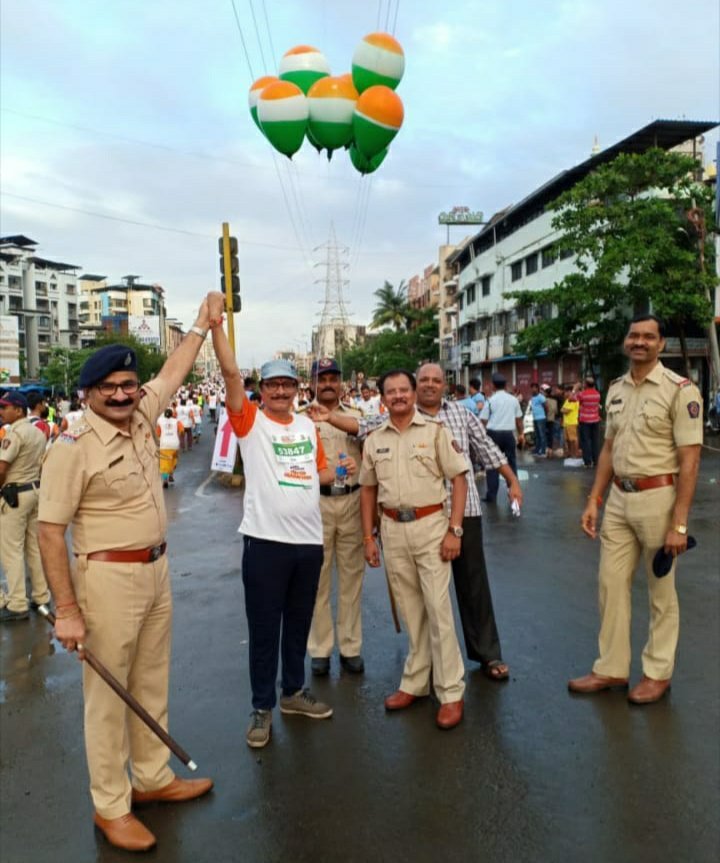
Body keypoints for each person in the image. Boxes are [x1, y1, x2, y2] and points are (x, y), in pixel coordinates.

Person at [37, 303, 216, 852]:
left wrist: (202, 323)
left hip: (156, 570)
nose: (122, 395)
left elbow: (175, 371)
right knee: (107, 698)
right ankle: (111, 806)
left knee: (150, 680)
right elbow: (49, 532)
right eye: (109, 388)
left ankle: (153, 777)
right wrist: (68, 611)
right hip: (107, 582)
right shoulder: (71, 448)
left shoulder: (142, 414)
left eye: (128, 385)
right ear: (89, 393)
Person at [209, 295, 339, 750]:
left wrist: (338, 472)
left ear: (297, 389)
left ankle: (292, 693)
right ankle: (262, 707)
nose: (280, 392)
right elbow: (230, 374)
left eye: (287, 385)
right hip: (265, 543)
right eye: (272, 385)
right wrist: (216, 325)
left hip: (309, 544)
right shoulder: (250, 422)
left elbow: (320, 474)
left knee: (298, 624)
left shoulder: (307, 427)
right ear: (261, 391)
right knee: (264, 629)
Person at [569, 314, 703, 705]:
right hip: (618, 500)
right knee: (610, 585)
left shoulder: (680, 391)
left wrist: (679, 523)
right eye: (633, 336)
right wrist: (594, 499)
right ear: (625, 341)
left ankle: (657, 672)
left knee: (661, 591)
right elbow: (608, 448)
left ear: (661, 344)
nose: (639, 342)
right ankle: (611, 668)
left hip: (658, 499)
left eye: (648, 337)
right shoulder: (616, 389)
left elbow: (690, 460)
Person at [359, 369, 469, 730]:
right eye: (391, 391)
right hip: (392, 529)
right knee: (410, 611)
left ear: (413, 392)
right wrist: (368, 538)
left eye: (404, 389)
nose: (398, 396)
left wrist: (455, 530)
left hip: (431, 528)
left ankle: (450, 692)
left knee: (438, 610)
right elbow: (368, 490)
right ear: (383, 399)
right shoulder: (374, 440)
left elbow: (459, 478)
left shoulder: (435, 432)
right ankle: (416, 682)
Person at [415, 363, 522, 679]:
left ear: (445, 385)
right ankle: (427, 660)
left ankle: (488, 653)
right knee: (424, 591)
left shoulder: (462, 415)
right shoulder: (404, 415)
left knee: (473, 585)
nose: (430, 385)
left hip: (466, 511)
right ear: (416, 384)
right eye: (424, 380)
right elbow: (365, 427)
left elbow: (488, 450)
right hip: (423, 513)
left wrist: (512, 480)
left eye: (436, 380)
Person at [306, 357, 366, 676]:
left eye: (333, 378)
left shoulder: (358, 417)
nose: (328, 384)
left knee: (352, 579)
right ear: (312, 382)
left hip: (352, 502)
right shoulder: (301, 419)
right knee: (317, 581)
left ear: (341, 382)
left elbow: (371, 460)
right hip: (316, 505)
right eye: (322, 378)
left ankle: (350, 647)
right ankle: (319, 649)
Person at [0, 392, 50, 622]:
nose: (1, 411)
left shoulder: (15, 433)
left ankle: (17, 603)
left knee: (11, 550)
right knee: (33, 548)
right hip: (34, 490)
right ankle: (41, 596)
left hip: (15, 495)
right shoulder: (37, 432)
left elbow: (2, 468)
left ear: (18, 410)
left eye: (5, 407)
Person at [480, 372, 524, 503]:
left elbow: (483, 420)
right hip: (509, 435)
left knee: (493, 464)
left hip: (493, 435)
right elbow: (519, 420)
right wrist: (521, 434)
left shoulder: (490, 401)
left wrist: (484, 434)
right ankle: (513, 492)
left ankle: (491, 495)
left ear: (493, 386)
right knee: (511, 463)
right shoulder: (514, 400)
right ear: (505, 386)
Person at [578, 375, 602, 467]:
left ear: (586, 384)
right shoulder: (597, 394)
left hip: (585, 420)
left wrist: (574, 389)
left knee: (585, 441)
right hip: (595, 419)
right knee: (595, 441)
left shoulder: (582, 394)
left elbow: (571, 399)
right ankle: (596, 461)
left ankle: (587, 462)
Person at [156, 408, 184, 488]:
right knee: (173, 460)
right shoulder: (177, 421)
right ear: (172, 415)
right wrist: (178, 435)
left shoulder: (160, 421)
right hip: (174, 445)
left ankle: (165, 480)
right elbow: (182, 430)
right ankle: (171, 475)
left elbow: (158, 434)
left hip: (164, 445)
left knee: (164, 463)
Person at [561, 383, 580, 459]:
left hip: (572, 422)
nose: (565, 393)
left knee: (573, 439)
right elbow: (562, 409)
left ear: (570, 392)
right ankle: (570, 453)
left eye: (566, 392)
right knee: (568, 440)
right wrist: (563, 409)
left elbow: (565, 410)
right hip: (566, 423)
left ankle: (575, 454)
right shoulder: (567, 400)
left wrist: (563, 410)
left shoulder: (573, 400)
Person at [529, 383, 547, 456]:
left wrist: (544, 415)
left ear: (537, 388)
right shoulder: (532, 397)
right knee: (537, 435)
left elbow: (546, 407)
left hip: (541, 418)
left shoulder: (541, 397)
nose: (533, 389)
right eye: (532, 388)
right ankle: (537, 450)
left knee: (542, 435)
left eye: (534, 388)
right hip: (535, 418)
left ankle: (543, 452)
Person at [543, 384, 558, 457]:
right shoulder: (555, 401)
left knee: (545, 434)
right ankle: (550, 448)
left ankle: (546, 448)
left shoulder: (545, 400)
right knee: (551, 434)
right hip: (552, 419)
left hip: (545, 419)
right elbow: (556, 411)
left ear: (546, 393)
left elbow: (544, 409)